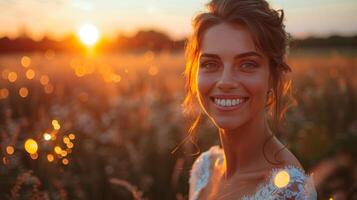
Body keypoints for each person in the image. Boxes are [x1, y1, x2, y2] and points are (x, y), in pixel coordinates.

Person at [184, 0, 317, 199]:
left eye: (247, 64)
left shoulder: (287, 191)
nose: (225, 82)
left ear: (273, 76)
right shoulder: (205, 168)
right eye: (210, 64)